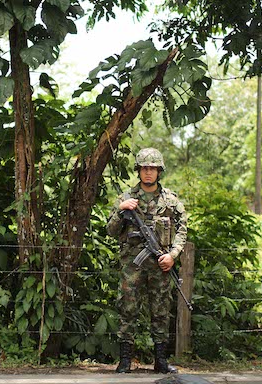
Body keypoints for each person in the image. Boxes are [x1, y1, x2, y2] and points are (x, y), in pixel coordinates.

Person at [106, 148, 188, 374]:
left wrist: (173, 255)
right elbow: (111, 231)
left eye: (152, 168)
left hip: (160, 266)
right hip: (132, 266)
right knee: (127, 309)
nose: (148, 172)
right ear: (139, 171)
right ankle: (124, 360)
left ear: (159, 171)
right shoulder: (126, 198)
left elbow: (182, 229)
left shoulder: (170, 200)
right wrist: (121, 211)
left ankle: (160, 361)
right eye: (144, 168)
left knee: (161, 311)